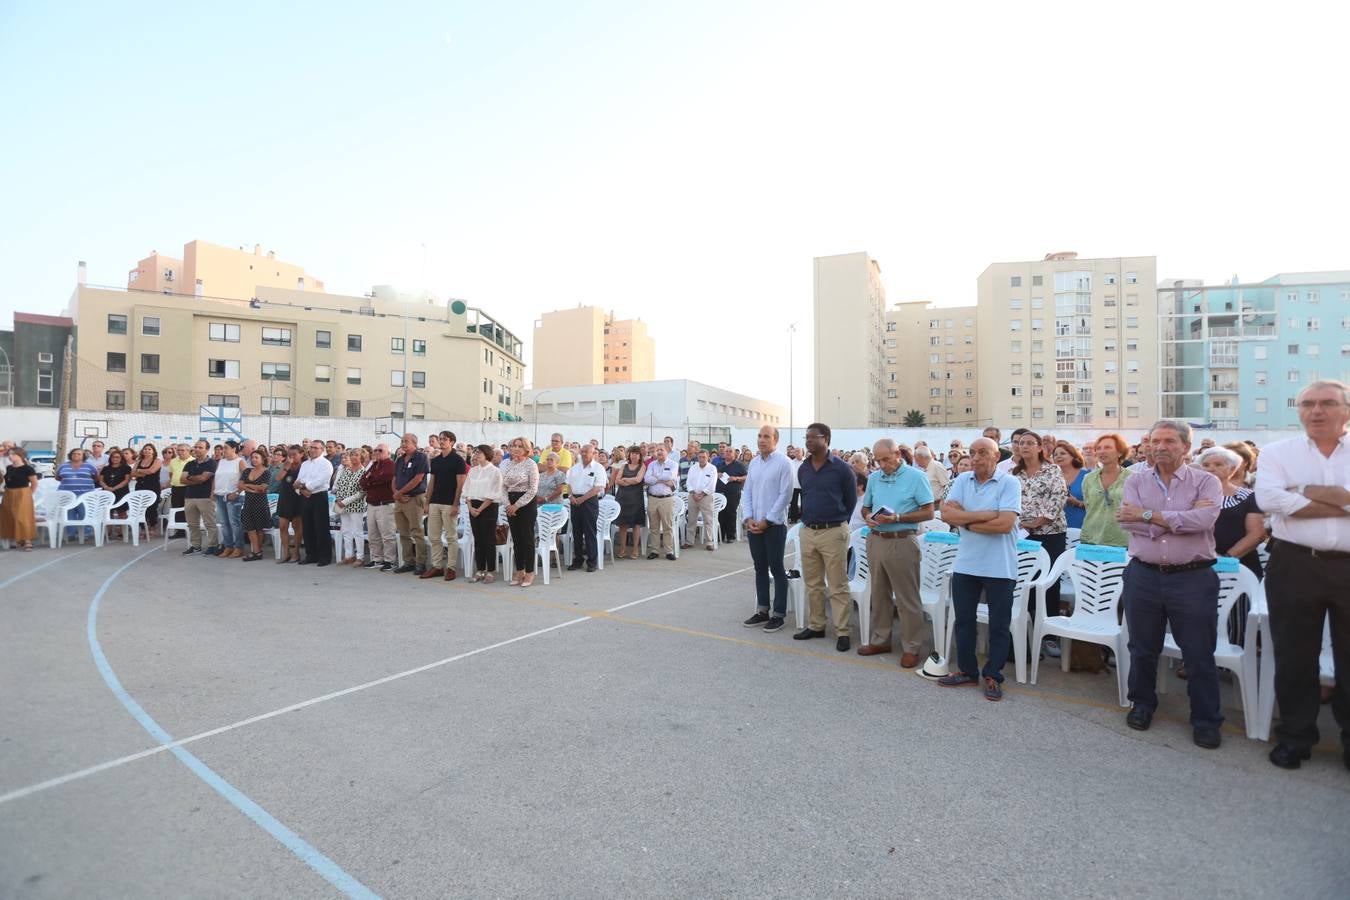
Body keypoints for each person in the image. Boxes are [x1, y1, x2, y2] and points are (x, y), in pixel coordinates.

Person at [1253, 380, 1350, 772]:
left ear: (1346, 409)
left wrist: (1304, 492)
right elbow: (1270, 500)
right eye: (1307, 404)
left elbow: (1287, 501)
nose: (1317, 411)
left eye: (1327, 403)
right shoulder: (1279, 453)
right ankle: (1295, 736)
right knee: (1295, 655)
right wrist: (1343, 499)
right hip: (1294, 563)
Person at [1116, 419, 1223, 748]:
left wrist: (1148, 515)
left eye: (1168, 441)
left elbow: (1204, 520)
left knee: (1197, 653)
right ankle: (1142, 704)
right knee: (1142, 648)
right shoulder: (1135, 481)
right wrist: (1180, 517)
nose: (1160, 447)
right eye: (1154, 441)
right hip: (1143, 575)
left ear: (1186, 447)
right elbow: (1126, 522)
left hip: (1192, 577)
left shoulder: (1206, 482)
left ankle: (1206, 720)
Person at [938, 437, 1022, 701]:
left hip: (1000, 567)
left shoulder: (1010, 482)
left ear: (996, 456)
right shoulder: (962, 481)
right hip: (966, 564)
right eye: (972, 453)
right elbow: (947, 515)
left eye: (982, 453)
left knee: (999, 624)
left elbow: (1005, 525)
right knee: (964, 620)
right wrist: (987, 514)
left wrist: (967, 521)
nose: (975, 458)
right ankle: (967, 671)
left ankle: (993, 675)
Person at [859, 438, 935, 667]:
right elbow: (866, 506)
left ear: (898, 455)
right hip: (876, 540)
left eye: (886, 459)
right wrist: (868, 518)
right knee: (879, 595)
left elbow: (929, 512)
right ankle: (881, 640)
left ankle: (912, 646)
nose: (882, 464)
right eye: (878, 460)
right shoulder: (874, 478)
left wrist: (898, 518)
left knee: (906, 598)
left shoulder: (916, 477)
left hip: (902, 540)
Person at [792, 423, 856, 652]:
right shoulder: (804, 468)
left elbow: (850, 501)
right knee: (813, 583)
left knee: (837, 584)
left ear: (826, 439)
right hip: (808, 531)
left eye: (812, 437)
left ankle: (842, 631)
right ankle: (817, 625)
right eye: (806, 437)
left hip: (833, 532)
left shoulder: (842, 468)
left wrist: (837, 523)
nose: (808, 441)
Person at [739, 426, 794, 633]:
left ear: (776, 440)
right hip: (755, 524)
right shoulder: (754, 463)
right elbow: (747, 493)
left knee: (776, 567)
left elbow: (785, 496)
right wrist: (748, 518)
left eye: (766, 437)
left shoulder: (784, 463)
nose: (762, 440)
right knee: (759, 566)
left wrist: (767, 521)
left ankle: (778, 614)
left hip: (774, 526)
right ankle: (763, 610)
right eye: (760, 436)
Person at [1013, 431, 1068, 634]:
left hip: (1050, 534)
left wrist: (1037, 521)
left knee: (1049, 581)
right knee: (1026, 579)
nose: (1024, 446)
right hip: (1021, 533)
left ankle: (1049, 632)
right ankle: (1025, 627)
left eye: (1029, 443)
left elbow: (1058, 496)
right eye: (1020, 443)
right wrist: (1020, 524)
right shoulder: (1014, 474)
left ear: (1039, 447)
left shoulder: (1052, 470)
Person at [1199, 446, 1265, 579]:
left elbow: (1257, 534)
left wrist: (1225, 559)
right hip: (1199, 565)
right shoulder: (1190, 496)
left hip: (1240, 565)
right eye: (1205, 465)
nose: (1210, 468)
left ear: (1232, 469)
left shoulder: (1247, 496)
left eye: (1218, 464)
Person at [424, 430, 467, 581]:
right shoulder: (435, 461)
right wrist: (427, 502)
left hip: (450, 503)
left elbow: (460, 484)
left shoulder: (458, 460)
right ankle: (437, 566)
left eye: (445, 439)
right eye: (440, 439)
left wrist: (456, 504)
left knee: (451, 536)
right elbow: (432, 482)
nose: (441, 441)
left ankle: (451, 568)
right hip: (435, 502)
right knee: (434, 536)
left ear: (452, 442)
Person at [1080, 433, 1133, 548]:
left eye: (1108, 447)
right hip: (1091, 539)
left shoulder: (1133, 478)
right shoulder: (1088, 479)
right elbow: (1089, 507)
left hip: (1122, 541)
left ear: (1119, 452)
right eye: (1099, 448)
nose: (1102, 451)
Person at [501, 437, 541, 586]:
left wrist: (517, 505)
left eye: (519, 446)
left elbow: (533, 489)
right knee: (516, 539)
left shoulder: (531, 464)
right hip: (510, 503)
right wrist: (508, 504)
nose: (516, 448)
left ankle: (530, 572)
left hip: (526, 504)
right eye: (514, 446)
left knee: (527, 538)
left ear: (526, 449)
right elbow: (503, 486)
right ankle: (519, 571)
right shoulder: (507, 464)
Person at [566, 443, 608, 572]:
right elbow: (568, 484)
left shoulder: (598, 468)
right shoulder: (575, 468)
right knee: (577, 532)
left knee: (590, 532)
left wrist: (582, 499)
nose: (583, 454)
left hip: (589, 501)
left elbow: (598, 488)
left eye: (586, 452)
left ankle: (592, 561)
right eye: (582, 452)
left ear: (593, 453)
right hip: (575, 501)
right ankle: (578, 560)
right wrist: (571, 496)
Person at [464, 444, 503, 583]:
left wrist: (480, 509)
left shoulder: (494, 471)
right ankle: (480, 569)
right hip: (472, 506)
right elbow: (466, 490)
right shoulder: (473, 470)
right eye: (475, 452)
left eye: (479, 452)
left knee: (489, 539)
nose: (476, 454)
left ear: (487, 454)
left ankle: (491, 570)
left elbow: (494, 492)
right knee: (478, 539)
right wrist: (470, 507)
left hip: (488, 506)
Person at [391, 433, 428, 575]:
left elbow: (418, 479)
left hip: (413, 499)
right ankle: (408, 562)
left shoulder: (421, 457)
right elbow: (394, 478)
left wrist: (400, 493)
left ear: (414, 443)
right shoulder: (400, 459)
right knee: (403, 533)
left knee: (416, 532)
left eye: (406, 441)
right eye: (402, 441)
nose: (403, 444)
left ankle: (421, 563)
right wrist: (396, 493)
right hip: (399, 500)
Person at [296, 439, 334, 567]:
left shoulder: (326, 464)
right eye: (311, 447)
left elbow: (320, 480)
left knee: (321, 527)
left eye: (316, 448)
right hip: (305, 496)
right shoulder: (305, 464)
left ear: (322, 450)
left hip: (319, 497)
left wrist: (305, 487)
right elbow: (297, 480)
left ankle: (325, 556)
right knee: (307, 527)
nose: (312, 450)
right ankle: (311, 555)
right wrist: (301, 489)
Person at [360, 443, 397, 571]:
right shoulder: (374, 465)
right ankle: (377, 559)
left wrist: (371, 480)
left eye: (380, 450)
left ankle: (390, 560)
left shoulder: (391, 464)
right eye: (375, 450)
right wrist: (372, 480)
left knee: (387, 534)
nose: (377, 452)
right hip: (372, 504)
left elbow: (386, 477)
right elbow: (362, 481)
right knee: (373, 534)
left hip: (385, 504)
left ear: (388, 452)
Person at [180, 440, 218, 556]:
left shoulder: (211, 463)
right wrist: (196, 478)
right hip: (190, 497)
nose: (196, 449)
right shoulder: (189, 463)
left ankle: (213, 546)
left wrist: (190, 478)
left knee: (209, 523)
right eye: (195, 447)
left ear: (207, 450)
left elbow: (203, 478)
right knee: (192, 524)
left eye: (200, 447)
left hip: (205, 497)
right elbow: (182, 479)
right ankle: (196, 546)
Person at [643, 444, 679, 560]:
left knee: (667, 526)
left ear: (667, 451)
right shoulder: (652, 464)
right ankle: (655, 550)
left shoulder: (673, 464)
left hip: (667, 499)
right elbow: (647, 479)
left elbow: (670, 476)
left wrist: (655, 478)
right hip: (653, 499)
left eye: (661, 450)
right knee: (654, 527)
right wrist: (662, 479)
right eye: (657, 450)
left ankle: (669, 551)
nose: (659, 452)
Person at [210, 440, 246, 558]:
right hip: (220, 495)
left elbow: (246, 478)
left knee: (234, 523)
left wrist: (237, 492)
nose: (222, 450)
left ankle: (239, 547)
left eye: (225, 448)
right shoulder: (221, 461)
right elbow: (216, 477)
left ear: (234, 449)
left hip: (233, 497)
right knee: (224, 523)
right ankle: (228, 546)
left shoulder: (240, 462)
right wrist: (213, 491)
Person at [332, 451, 367, 566]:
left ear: (362, 457)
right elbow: (339, 486)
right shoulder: (346, 471)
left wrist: (345, 501)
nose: (353, 457)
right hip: (342, 505)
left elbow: (362, 492)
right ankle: (348, 556)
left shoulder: (364, 472)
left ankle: (360, 557)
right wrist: (338, 499)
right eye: (352, 455)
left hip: (356, 505)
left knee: (357, 532)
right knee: (346, 531)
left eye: (356, 455)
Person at [237, 449, 273, 561]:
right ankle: (256, 551)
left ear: (263, 459)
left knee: (259, 528)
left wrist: (247, 486)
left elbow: (263, 487)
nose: (254, 459)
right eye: (252, 457)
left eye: (256, 457)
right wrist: (252, 488)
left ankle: (257, 551)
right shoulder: (247, 471)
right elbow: (239, 485)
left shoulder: (266, 472)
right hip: (248, 501)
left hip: (260, 502)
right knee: (249, 527)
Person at [0, 447, 38, 550]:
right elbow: (6, 481)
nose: (10, 456)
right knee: (9, 515)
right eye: (9, 454)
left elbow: (34, 483)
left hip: (23, 492)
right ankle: (16, 539)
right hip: (9, 493)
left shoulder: (27, 468)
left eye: (13, 454)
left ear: (20, 456)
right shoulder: (9, 468)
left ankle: (27, 540)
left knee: (22, 517)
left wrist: (28, 493)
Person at [612, 447, 646, 559]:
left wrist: (625, 480)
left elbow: (638, 479)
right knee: (623, 524)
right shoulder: (624, 466)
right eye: (632, 453)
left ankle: (635, 549)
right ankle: (622, 549)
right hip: (622, 498)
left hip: (636, 498)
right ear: (629, 455)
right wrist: (628, 481)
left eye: (637, 454)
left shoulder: (642, 466)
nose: (634, 456)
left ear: (640, 456)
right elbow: (617, 480)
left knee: (636, 525)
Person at [274, 445, 305, 563]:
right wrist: (286, 466)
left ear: (301, 454)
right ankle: (286, 553)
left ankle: (296, 553)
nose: (291, 457)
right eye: (289, 455)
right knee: (282, 526)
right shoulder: (285, 466)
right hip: (284, 498)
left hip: (298, 498)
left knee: (297, 527)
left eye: (294, 455)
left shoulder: (304, 466)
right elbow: (278, 478)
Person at [684, 449, 720, 551]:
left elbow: (712, 485)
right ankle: (689, 542)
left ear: (708, 457)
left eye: (704, 457)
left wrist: (702, 494)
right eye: (700, 457)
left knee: (708, 520)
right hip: (692, 496)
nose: (702, 459)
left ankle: (709, 542)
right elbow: (688, 482)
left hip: (706, 497)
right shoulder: (693, 468)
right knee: (691, 520)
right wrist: (693, 493)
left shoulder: (712, 469)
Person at [715, 448, 748, 543]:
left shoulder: (739, 465)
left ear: (734, 454)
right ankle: (720, 535)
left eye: (730, 452)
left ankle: (730, 536)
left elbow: (746, 476)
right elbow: (712, 475)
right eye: (726, 452)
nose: (728, 453)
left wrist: (736, 478)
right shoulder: (719, 465)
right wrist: (717, 474)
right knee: (720, 514)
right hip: (720, 492)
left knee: (730, 513)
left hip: (733, 493)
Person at [1054, 441, 1087, 532]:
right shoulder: (1051, 477)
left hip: (1083, 527)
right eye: (1055, 454)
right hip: (1055, 529)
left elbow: (1098, 506)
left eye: (1063, 453)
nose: (1058, 456)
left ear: (1074, 456)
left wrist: (1077, 503)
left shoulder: (1087, 476)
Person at [131, 444, 162, 537]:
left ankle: (152, 527)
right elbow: (133, 473)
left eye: (149, 449)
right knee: (141, 507)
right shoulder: (139, 461)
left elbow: (152, 471)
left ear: (153, 451)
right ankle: (143, 528)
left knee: (152, 507)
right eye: (145, 449)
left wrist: (139, 470)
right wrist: (144, 472)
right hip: (140, 486)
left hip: (152, 486)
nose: (147, 451)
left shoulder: (157, 460)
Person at [99, 448, 133, 523]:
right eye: (113, 457)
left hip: (121, 492)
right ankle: (108, 532)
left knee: (122, 512)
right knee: (108, 513)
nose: (115, 459)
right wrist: (106, 487)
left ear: (121, 458)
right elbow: (101, 480)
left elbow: (126, 480)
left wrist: (114, 488)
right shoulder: (105, 468)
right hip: (107, 492)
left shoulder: (126, 468)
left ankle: (122, 532)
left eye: (117, 457)